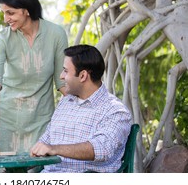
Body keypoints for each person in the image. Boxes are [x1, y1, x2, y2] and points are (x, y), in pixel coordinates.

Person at [0, 0, 68, 153]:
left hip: (41, 122)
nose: (6, 19)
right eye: (4, 13)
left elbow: (63, 83)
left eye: (11, 13)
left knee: (39, 176)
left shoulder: (56, 34)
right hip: (6, 121)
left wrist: (90, 103)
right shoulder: (3, 39)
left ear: (26, 10)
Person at [30, 44, 132, 173]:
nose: (61, 76)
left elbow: (102, 148)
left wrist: (54, 149)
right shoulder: (66, 102)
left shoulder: (115, 110)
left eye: (66, 71)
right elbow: (45, 142)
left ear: (83, 76)